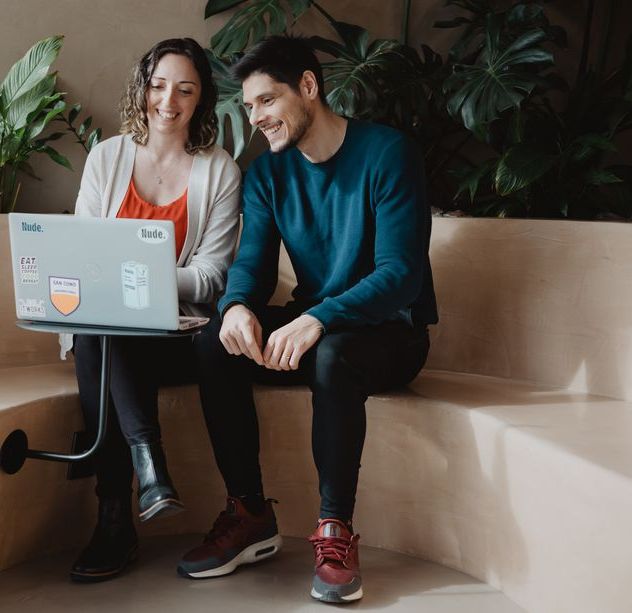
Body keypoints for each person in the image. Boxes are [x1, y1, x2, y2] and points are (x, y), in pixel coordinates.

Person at [176, 35, 438, 604]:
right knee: (214, 345)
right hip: (318, 328)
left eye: (267, 101)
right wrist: (238, 307)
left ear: (309, 87)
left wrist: (319, 316)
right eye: (249, 107)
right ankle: (248, 513)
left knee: (333, 353)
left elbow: (401, 275)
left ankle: (334, 531)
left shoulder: (388, 153)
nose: (257, 119)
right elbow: (251, 266)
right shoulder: (268, 174)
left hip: (390, 332)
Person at [68, 38, 242, 583]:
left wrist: (133, 278)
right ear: (142, 89)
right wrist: (120, 287)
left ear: (201, 100)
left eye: (185, 90)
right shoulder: (107, 157)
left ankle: (119, 512)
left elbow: (211, 279)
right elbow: (79, 257)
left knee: (106, 320)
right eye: (159, 85)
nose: (168, 100)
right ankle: (141, 480)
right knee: (99, 326)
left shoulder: (220, 172)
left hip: (179, 338)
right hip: (111, 333)